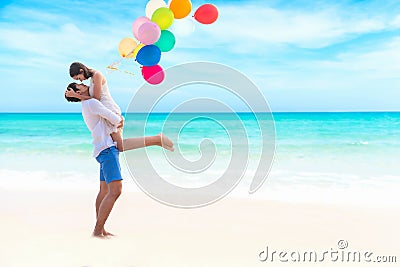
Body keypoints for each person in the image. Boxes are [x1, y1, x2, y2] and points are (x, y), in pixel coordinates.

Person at [65, 82, 174, 238]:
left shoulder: (86, 106)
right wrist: (119, 121)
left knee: (104, 191)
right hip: (108, 151)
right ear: (78, 91)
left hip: (101, 151)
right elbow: (114, 118)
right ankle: (97, 231)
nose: (84, 84)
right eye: (80, 84)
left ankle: (100, 229)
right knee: (115, 191)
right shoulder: (91, 103)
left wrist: (76, 95)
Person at [66, 62, 124, 152]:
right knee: (118, 147)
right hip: (104, 112)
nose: (80, 81)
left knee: (121, 147)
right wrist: (74, 96)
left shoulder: (97, 75)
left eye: (78, 78)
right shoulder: (92, 78)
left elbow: (95, 99)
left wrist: (76, 96)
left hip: (110, 109)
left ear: (81, 71)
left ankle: (152, 140)